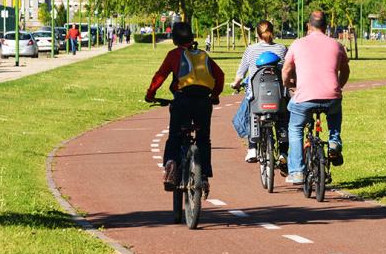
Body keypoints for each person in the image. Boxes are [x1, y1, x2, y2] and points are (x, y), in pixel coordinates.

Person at [145, 21, 224, 196]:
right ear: (192, 37)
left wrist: (150, 94)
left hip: (182, 100)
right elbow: (220, 75)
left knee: (175, 135)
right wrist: (214, 95)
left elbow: (160, 76)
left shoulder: (174, 55)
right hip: (203, 102)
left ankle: (171, 165)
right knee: (203, 138)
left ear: (174, 39)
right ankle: (204, 176)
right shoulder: (202, 55)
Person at [282, 10, 350, 185]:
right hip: (331, 97)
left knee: (295, 128)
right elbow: (345, 71)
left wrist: (288, 84)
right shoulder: (337, 45)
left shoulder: (297, 44)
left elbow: (286, 69)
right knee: (334, 115)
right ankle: (334, 142)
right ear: (326, 27)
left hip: (305, 97)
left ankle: (297, 171)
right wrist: (338, 87)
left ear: (308, 26)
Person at [231, 20, 289, 164]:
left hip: (257, 95)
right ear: (273, 32)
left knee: (247, 114)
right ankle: (283, 152)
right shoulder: (282, 49)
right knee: (283, 117)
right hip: (278, 95)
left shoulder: (250, 50)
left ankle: (252, 148)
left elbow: (241, 73)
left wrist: (236, 84)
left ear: (257, 34)